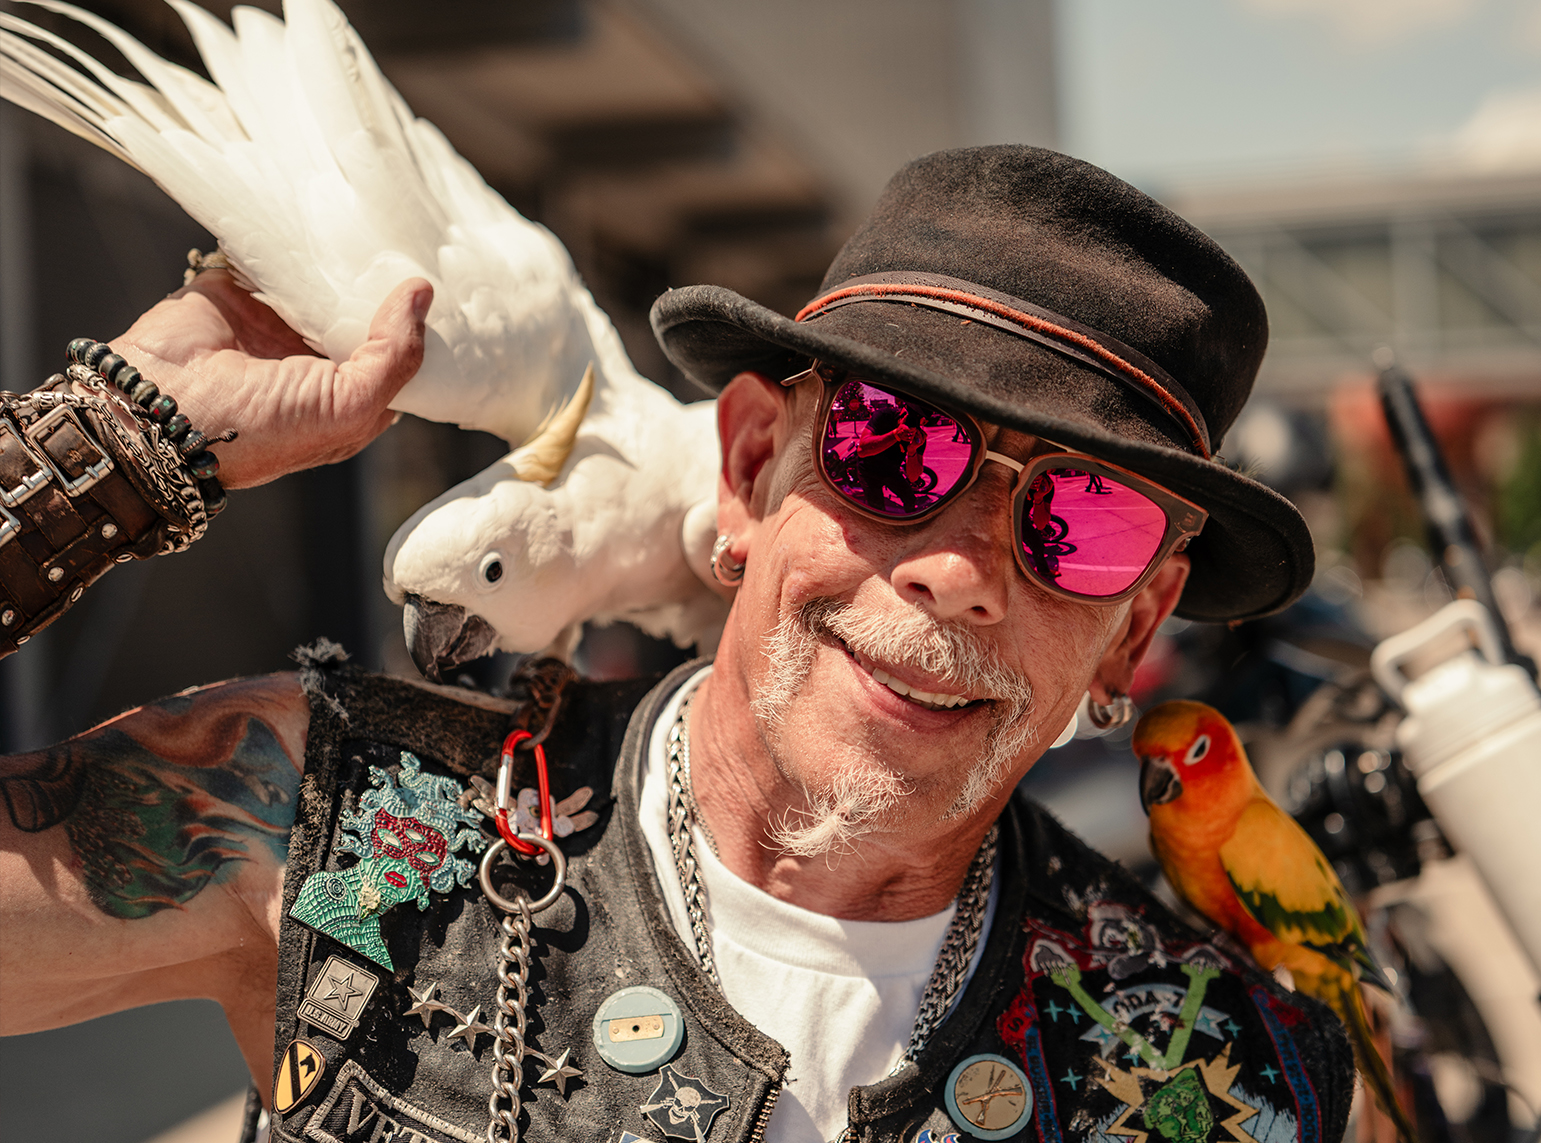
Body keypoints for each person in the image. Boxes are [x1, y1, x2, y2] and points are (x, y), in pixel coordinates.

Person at [0, 147, 1348, 1143]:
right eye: (895, 449)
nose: (960, 573)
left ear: (1136, 630)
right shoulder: (336, 827)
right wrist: (94, 459)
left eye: (1085, 522)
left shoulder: (1226, 1078)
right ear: (755, 464)